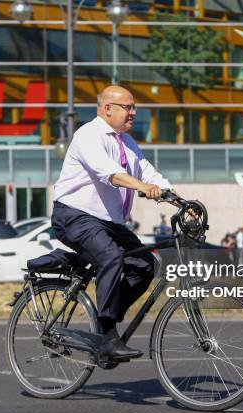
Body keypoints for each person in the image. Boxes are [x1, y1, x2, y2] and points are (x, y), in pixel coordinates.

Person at [51, 85, 172, 360]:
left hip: (107, 221)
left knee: (144, 265)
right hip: (74, 215)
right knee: (111, 256)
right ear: (107, 108)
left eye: (133, 107)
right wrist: (142, 186)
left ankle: (104, 322)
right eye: (127, 107)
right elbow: (111, 174)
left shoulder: (127, 142)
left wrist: (184, 203)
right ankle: (107, 335)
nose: (133, 113)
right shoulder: (88, 135)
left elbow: (151, 175)